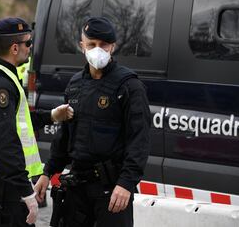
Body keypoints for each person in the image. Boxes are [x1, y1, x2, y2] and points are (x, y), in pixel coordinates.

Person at [34, 17, 151, 227]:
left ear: (112, 47)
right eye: (91, 45)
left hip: (111, 190)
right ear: (82, 46)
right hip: (77, 187)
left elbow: (139, 142)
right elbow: (65, 136)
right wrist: (47, 172)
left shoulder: (129, 86)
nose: (98, 50)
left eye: (103, 45)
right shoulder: (75, 84)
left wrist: (126, 183)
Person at [0, 17, 73, 227]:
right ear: (15, 48)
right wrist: (25, 191)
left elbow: (16, 121)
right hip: (4, 189)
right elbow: (3, 142)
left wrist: (51, 115)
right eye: (28, 43)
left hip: (1, 184)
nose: (31, 48)